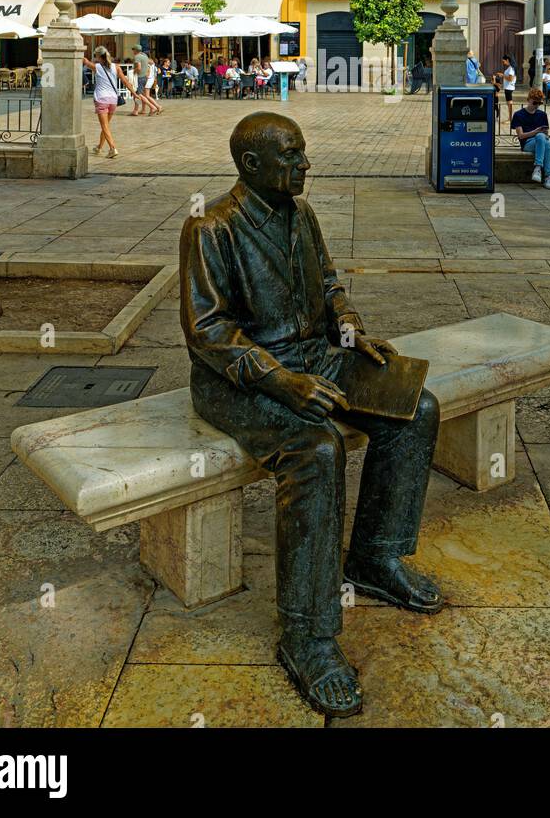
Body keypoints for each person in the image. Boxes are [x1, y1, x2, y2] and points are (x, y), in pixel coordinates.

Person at [181, 113, 442, 719]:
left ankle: (375, 556)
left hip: (314, 358)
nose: (305, 165)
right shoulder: (211, 227)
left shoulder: (301, 213)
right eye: (293, 156)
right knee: (316, 451)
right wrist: (281, 381)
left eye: (303, 155)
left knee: (416, 406)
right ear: (252, 165)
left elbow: (328, 287)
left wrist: (351, 333)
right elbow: (208, 331)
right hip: (237, 379)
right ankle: (308, 633)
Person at [83, 45, 136, 159]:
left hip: (101, 99)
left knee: (105, 126)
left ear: (98, 56)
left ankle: (112, 148)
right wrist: (134, 93)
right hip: (113, 100)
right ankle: (99, 147)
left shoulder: (96, 67)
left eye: (95, 55)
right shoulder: (116, 67)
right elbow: (125, 81)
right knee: (105, 125)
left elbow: (84, 61)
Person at [512, 87, 550, 188]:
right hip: (527, 143)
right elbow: (521, 136)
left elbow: (546, 135)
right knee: (540, 136)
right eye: (534, 103)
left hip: (541, 142)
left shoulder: (542, 115)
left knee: (547, 143)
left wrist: (543, 134)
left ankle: (546, 174)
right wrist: (535, 132)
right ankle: (543, 171)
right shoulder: (518, 115)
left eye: (539, 104)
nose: (536, 106)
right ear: (528, 100)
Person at [501, 55, 517, 123]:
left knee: (509, 103)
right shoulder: (510, 68)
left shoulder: (511, 68)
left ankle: (510, 119)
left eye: (503, 61)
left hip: (509, 88)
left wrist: (502, 75)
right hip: (508, 87)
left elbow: (510, 79)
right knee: (509, 103)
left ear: (507, 60)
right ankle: (510, 118)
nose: (503, 63)